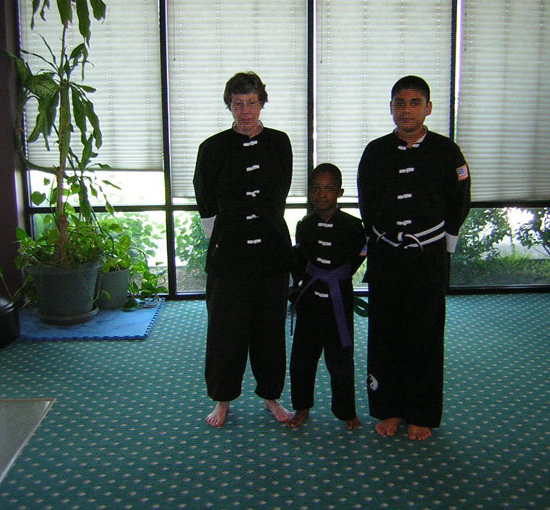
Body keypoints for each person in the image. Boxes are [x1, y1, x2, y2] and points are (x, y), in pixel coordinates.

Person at [357, 75, 471, 441]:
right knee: (385, 333)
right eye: (400, 103)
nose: (406, 110)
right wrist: (378, 240)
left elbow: (460, 200)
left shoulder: (447, 152)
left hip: (428, 255)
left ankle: (421, 412)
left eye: (414, 103)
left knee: (424, 334)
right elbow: (366, 202)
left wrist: (444, 245)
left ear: (428, 108)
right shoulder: (375, 151)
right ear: (391, 108)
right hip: (387, 255)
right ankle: (388, 408)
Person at [193, 72, 293, 428]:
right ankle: (222, 399)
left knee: (270, 328)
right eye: (238, 104)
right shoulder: (212, 147)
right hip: (229, 251)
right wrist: (221, 233)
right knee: (226, 329)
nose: (246, 111)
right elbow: (204, 193)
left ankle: (271, 396)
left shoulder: (279, 142)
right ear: (229, 106)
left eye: (252, 103)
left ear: (262, 103)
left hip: (271, 249)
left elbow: (281, 190)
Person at [286, 164, 366, 431]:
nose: (322, 195)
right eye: (316, 189)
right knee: (302, 359)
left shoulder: (353, 226)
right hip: (310, 301)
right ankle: (301, 407)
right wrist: (303, 284)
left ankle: (346, 411)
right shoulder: (304, 225)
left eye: (329, 189)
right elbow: (300, 260)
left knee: (341, 361)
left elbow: (358, 256)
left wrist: (337, 276)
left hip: (339, 300)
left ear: (340, 192)